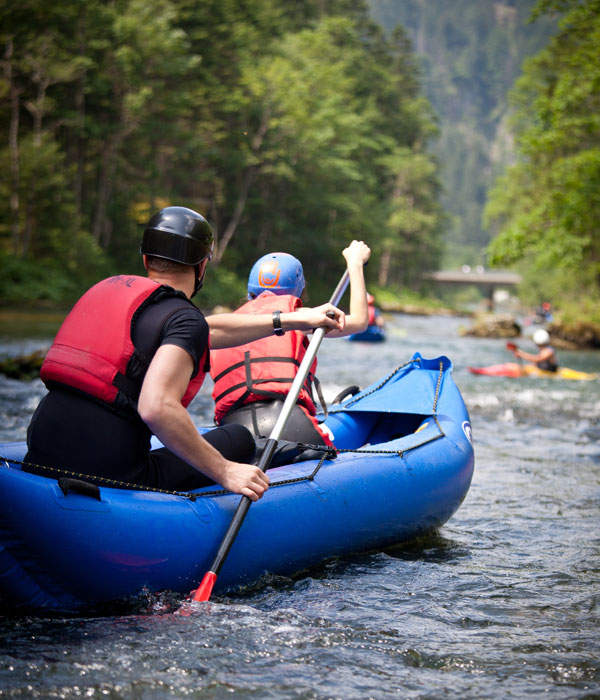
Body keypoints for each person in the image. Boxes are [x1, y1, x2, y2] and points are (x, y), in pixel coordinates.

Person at [24, 206, 345, 502]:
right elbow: (156, 406)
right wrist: (225, 471)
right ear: (202, 265)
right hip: (114, 475)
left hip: (39, 451)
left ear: (147, 259)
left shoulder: (110, 292)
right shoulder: (182, 320)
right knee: (239, 437)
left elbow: (206, 331)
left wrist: (291, 320)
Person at [209, 241, 371, 447]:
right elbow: (359, 321)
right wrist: (355, 264)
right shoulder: (298, 317)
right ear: (299, 292)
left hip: (232, 431)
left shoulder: (229, 326)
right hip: (289, 424)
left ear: (250, 292)